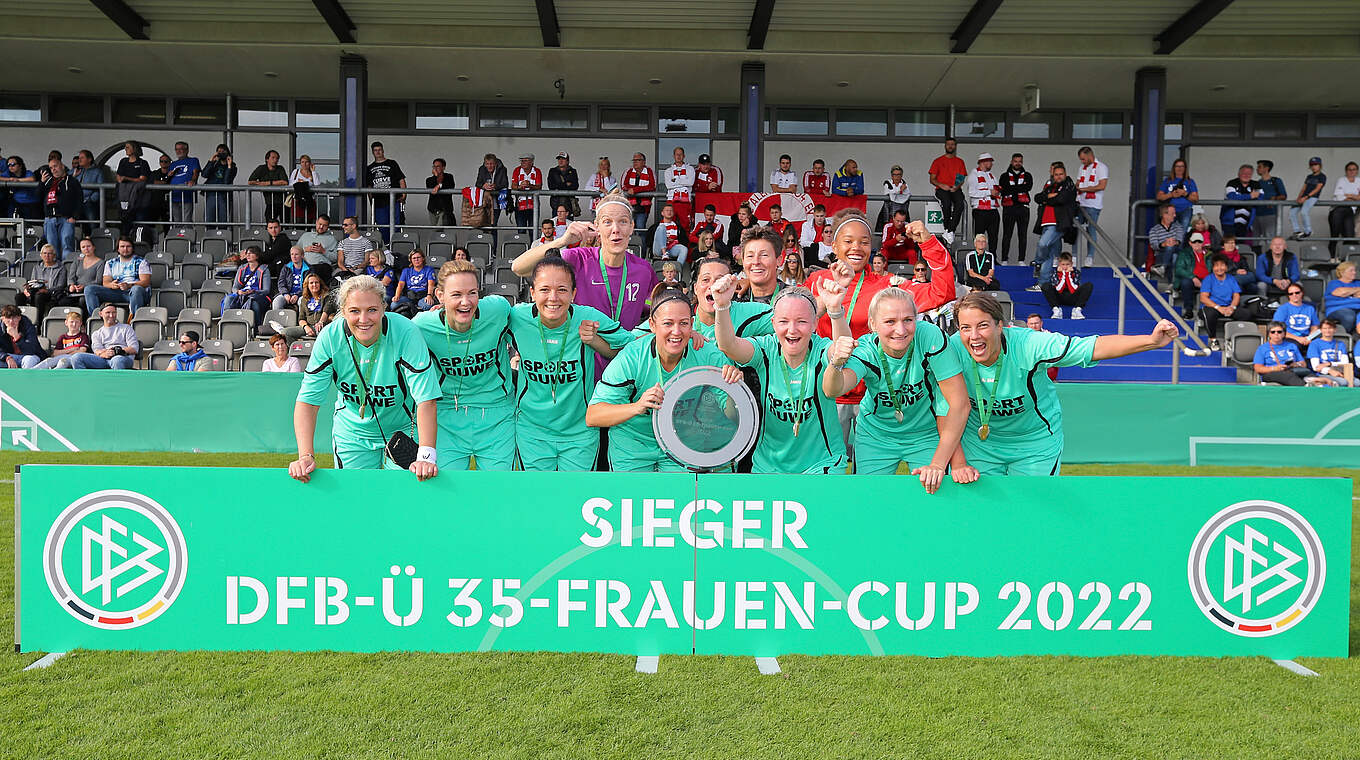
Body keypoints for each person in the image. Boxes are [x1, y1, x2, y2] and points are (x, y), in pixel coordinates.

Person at [949, 292, 1178, 476]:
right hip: (979, 444)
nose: (974, 336)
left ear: (1000, 326)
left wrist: (1151, 341)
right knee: (982, 512)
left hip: (1034, 444)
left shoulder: (1030, 344)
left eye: (983, 325)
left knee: (1032, 511)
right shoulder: (952, 350)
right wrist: (958, 462)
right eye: (965, 328)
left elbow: (1091, 348)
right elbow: (946, 412)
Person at [804, 213, 956, 456]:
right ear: (834, 245)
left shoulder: (885, 286)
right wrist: (830, 297)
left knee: (868, 472)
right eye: (848, 241)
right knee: (826, 467)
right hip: (825, 393)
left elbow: (942, 292)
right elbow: (795, 319)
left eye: (864, 242)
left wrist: (929, 244)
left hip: (870, 395)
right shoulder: (817, 281)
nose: (856, 247)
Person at [290, 275, 440, 479]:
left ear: (384, 308)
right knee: (354, 496)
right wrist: (305, 456)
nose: (363, 319)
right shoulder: (330, 338)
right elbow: (308, 400)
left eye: (372, 310)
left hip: (402, 430)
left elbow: (426, 399)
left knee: (405, 496)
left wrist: (426, 456)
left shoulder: (406, 332)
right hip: (352, 433)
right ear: (343, 311)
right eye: (354, 311)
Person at [821, 286, 968, 487]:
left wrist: (937, 464)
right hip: (876, 435)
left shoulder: (930, 336)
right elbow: (833, 390)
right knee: (869, 497)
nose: (900, 330)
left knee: (936, 495)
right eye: (890, 321)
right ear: (873, 324)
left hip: (925, 434)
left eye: (908, 320)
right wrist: (836, 363)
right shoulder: (866, 348)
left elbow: (959, 404)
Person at [587, 290, 744, 472]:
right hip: (634, 444)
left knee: (679, 491)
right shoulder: (632, 358)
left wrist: (734, 391)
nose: (676, 331)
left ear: (692, 324)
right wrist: (637, 407)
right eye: (668, 323)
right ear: (652, 325)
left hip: (682, 443)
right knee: (634, 491)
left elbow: (732, 416)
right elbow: (593, 415)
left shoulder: (708, 355)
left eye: (683, 323)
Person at [512, 191, 657, 377]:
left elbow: (657, 310)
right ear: (597, 227)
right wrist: (562, 241)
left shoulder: (644, 270)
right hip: (581, 371)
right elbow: (518, 267)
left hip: (626, 369)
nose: (616, 229)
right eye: (607, 222)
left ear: (632, 227)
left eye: (623, 221)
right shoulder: (579, 259)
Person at [711, 277, 848, 473]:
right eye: (784, 321)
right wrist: (722, 306)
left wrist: (835, 311)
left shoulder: (821, 349)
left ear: (815, 324)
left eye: (801, 321)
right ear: (773, 323)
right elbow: (728, 345)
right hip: (768, 466)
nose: (792, 330)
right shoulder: (766, 349)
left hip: (821, 464)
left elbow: (842, 350)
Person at [508, 258, 634, 471]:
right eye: (545, 289)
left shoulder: (587, 317)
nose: (553, 298)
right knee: (535, 492)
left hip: (580, 433)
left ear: (573, 294)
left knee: (577, 492)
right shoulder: (517, 317)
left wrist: (684, 332)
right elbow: (478, 322)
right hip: (532, 432)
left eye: (562, 290)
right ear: (532, 293)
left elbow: (634, 346)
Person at [412, 260, 517, 471]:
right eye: (456, 294)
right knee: (447, 488)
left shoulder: (498, 310)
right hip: (446, 415)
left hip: (497, 413)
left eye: (472, 293)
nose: (466, 302)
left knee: (497, 487)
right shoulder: (421, 326)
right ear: (440, 296)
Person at [1029, 162, 1077, 290]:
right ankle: (1043, 284)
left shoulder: (1069, 185)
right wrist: (1048, 196)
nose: (1059, 176)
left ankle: (1038, 262)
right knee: (1050, 256)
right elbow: (1037, 197)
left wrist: (1047, 199)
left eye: (1061, 174)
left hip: (1057, 224)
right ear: (1053, 175)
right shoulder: (1051, 186)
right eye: (1056, 174)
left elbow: (1062, 199)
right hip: (1045, 223)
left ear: (1065, 174)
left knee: (1043, 245)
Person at [84, 238, 150, 316]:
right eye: (122, 246)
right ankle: (96, 317)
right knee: (89, 289)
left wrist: (129, 285)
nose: (125, 249)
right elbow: (105, 282)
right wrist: (112, 285)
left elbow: (145, 282)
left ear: (132, 248)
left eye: (128, 246)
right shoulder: (110, 263)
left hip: (134, 292)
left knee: (136, 289)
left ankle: (135, 318)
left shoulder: (141, 261)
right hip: (116, 292)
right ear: (118, 249)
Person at [1200, 254, 1251, 349]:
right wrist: (1218, 308)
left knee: (1246, 313)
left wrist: (1232, 307)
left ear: (1226, 267)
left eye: (1222, 265)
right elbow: (1203, 298)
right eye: (1216, 265)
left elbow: (1236, 295)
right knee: (1209, 314)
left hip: (1228, 307)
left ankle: (1232, 340)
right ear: (1213, 267)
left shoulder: (1231, 279)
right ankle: (1213, 340)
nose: (1219, 268)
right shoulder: (1208, 279)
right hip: (1213, 307)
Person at [70, 302, 139, 370]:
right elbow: (97, 350)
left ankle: (118, 378)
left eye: (114, 312)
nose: (111, 315)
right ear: (101, 314)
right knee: (76, 357)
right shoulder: (97, 333)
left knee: (117, 360)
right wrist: (104, 354)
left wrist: (118, 351)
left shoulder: (126, 328)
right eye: (108, 313)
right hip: (103, 359)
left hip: (122, 357)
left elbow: (134, 348)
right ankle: (85, 377)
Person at [1254, 322, 1326, 386]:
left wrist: (1297, 364)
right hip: (1271, 373)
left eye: (1279, 332)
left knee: (1311, 375)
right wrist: (1274, 368)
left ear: (1284, 334)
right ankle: (1305, 388)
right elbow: (1258, 368)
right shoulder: (1262, 348)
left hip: (1292, 370)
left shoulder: (1292, 346)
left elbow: (1303, 364)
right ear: (1269, 334)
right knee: (1288, 375)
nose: (1276, 334)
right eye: (1273, 332)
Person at [273, 272, 336, 341]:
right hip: (309, 326)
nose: (314, 285)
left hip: (324, 326)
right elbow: (301, 319)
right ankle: (295, 347)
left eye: (316, 282)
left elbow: (326, 311)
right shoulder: (304, 299)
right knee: (285, 332)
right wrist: (306, 327)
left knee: (321, 332)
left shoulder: (327, 296)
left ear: (320, 284)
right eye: (311, 283)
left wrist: (320, 322)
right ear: (307, 285)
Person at [39, 159, 81, 260]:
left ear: (62, 166)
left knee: (67, 245)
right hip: (50, 219)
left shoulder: (72, 181)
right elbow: (38, 196)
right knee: (51, 247)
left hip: (66, 218)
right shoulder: (48, 181)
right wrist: (41, 183)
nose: (53, 169)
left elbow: (79, 199)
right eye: (51, 168)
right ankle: (54, 268)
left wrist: (74, 216)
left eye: (55, 166)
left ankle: (67, 267)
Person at [1074, 147, 1109, 267]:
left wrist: (1083, 189)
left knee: (1091, 230)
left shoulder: (1101, 167)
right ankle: (1074, 257)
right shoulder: (1082, 168)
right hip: (1080, 203)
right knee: (1075, 229)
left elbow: (1102, 186)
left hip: (1093, 205)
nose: (1082, 161)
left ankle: (1090, 257)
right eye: (1081, 159)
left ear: (1090, 155)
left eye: (1084, 159)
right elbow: (1078, 182)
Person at [365, 142, 406, 241]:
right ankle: (388, 245)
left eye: (379, 150)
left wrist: (404, 195)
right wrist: (371, 202)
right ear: (372, 152)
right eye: (375, 150)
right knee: (382, 226)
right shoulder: (369, 168)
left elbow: (401, 180)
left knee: (396, 224)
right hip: (379, 202)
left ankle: (395, 244)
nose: (378, 152)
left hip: (394, 200)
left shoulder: (392, 163)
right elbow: (369, 187)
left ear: (383, 150)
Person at [928, 138, 967, 243]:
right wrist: (942, 185)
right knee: (946, 203)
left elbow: (961, 178)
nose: (950, 146)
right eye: (948, 144)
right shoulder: (938, 161)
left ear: (955, 146)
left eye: (952, 144)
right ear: (945, 146)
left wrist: (956, 187)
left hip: (955, 188)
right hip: (941, 189)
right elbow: (932, 179)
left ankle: (950, 230)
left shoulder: (959, 161)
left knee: (960, 204)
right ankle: (947, 229)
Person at [222, 247, 272, 326]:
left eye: (251, 253)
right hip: (242, 294)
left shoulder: (264, 269)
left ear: (257, 256)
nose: (248, 255)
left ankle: (256, 328)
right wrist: (238, 292)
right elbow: (235, 287)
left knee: (253, 304)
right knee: (228, 299)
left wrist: (253, 291)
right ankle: (227, 324)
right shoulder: (242, 268)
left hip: (257, 295)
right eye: (247, 253)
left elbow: (266, 290)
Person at [998, 153, 1033, 263]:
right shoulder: (1004, 176)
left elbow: (1028, 187)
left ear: (1022, 162)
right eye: (1015, 161)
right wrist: (1020, 188)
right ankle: (1004, 260)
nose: (1017, 163)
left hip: (1023, 208)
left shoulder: (1027, 175)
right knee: (1007, 235)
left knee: (1023, 235)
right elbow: (1003, 190)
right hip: (1009, 208)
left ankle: (1021, 260)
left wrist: (1011, 188)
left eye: (1020, 161)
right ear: (1011, 162)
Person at [16, 244, 66, 319]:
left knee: (39, 296)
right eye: (44, 253)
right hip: (36, 291)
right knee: (19, 296)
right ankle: (21, 319)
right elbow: (33, 282)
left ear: (54, 255)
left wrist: (47, 290)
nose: (47, 256)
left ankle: (38, 321)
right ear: (41, 255)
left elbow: (61, 286)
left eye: (49, 253)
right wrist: (27, 289)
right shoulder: (37, 267)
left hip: (51, 293)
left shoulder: (61, 268)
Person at [114, 142, 151, 239]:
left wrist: (126, 179)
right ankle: (125, 241)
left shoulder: (143, 163)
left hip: (139, 199)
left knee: (139, 223)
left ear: (134, 149)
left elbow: (143, 178)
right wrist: (123, 179)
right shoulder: (123, 161)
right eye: (125, 147)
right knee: (124, 221)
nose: (125, 149)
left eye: (128, 147)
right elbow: (118, 176)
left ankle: (139, 243)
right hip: (124, 198)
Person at [967, 153, 1001, 254]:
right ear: (983, 162)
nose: (992, 164)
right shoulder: (974, 175)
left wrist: (997, 192)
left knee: (993, 237)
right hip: (980, 211)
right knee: (979, 237)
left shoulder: (992, 176)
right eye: (990, 161)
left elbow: (996, 190)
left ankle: (993, 257)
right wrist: (989, 192)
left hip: (993, 209)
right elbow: (971, 193)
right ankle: (979, 257)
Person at [1043, 252, 1092, 320]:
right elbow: (1059, 289)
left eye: (1067, 264)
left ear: (1071, 264)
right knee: (1045, 285)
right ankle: (1056, 309)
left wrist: (1068, 275)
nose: (1065, 267)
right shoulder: (1055, 273)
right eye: (1063, 264)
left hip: (1072, 297)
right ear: (1059, 264)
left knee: (1089, 285)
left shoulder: (1076, 272)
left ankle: (1077, 310)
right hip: (1059, 297)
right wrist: (1063, 274)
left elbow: (1073, 289)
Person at [1173, 232, 1211, 319]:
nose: (1197, 244)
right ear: (1190, 243)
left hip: (1207, 279)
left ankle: (1207, 312)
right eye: (1194, 242)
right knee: (1186, 282)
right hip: (1191, 278)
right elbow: (1179, 269)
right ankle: (1189, 310)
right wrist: (1193, 277)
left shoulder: (1210, 254)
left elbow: (1214, 269)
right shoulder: (1184, 253)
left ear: (1203, 243)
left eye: (1199, 241)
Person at [1156, 157, 1199, 232]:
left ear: (1185, 168)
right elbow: (1159, 197)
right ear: (1174, 168)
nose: (1179, 168)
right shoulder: (1167, 181)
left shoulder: (1190, 181)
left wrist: (1184, 193)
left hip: (1185, 210)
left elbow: (1195, 198)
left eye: (1182, 166)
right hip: (1169, 211)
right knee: (1168, 232)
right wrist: (1171, 195)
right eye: (1177, 166)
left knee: (1182, 233)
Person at [1222, 164, 1262, 242]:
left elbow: (1260, 197)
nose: (1246, 175)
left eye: (1249, 173)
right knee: (1229, 243)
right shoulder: (1232, 183)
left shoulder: (1255, 184)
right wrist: (1250, 196)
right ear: (1239, 174)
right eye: (1244, 173)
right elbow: (1231, 197)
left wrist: (1240, 197)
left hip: (1247, 221)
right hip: (1229, 221)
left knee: (1242, 244)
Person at [1328, 161, 1360, 258]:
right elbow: (1339, 198)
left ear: (1357, 171)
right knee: (1335, 236)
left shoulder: (1359, 180)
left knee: (1349, 237)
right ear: (1346, 171)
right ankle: (1332, 258)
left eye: (1354, 169)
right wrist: (1354, 197)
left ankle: (1345, 260)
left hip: (1350, 212)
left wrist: (1348, 196)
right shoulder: (1341, 180)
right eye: (1349, 170)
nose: (1352, 171)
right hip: (1338, 210)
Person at [248, 150, 289, 223]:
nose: (275, 160)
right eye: (273, 158)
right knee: (270, 223)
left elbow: (285, 182)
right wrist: (261, 184)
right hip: (270, 202)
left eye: (277, 158)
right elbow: (250, 182)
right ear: (267, 159)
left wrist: (268, 183)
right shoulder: (261, 168)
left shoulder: (280, 168)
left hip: (283, 201)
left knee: (286, 224)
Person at [1290, 157, 1326, 240]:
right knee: (1292, 212)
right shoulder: (1309, 176)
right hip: (1304, 197)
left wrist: (1306, 197)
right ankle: (1297, 231)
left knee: (1304, 212)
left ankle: (1308, 231)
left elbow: (1317, 188)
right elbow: (1303, 188)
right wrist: (1299, 198)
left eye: (1316, 165)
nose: (1313, 167)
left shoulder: (1322, 176)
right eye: (1312, 165)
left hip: (1312, 197)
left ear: (1320, 166)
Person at [200, 144, 237, 225]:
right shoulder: (214, 164)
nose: (221, 153)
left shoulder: (233, 167)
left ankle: (222, 233)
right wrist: (211, 161)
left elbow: (226, 181)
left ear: (228, 153)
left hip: (224, 196)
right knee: (209, 220)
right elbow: (204, 174)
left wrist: (229, 166)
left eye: (223, 151)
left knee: (223, 221)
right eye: (219, 151)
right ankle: (209, 233)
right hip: (211, 194)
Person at [1272, 283, 1318, 348]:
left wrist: (1309, 338)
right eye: (1291, 294)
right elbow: (1277, 329)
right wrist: (1298, 339)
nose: (1294, 295)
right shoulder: (1282, 309)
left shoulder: (1310, 308)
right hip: (1289, 338)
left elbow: (1315, 326)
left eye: (1297, 293)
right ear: (1288, 296)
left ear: (1302, 293)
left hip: (1307, 337)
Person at [0, 304, 45, 369]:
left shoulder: (27, 325)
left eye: (14, 318)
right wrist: (7, 357)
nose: (11, 321)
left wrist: (16, 337)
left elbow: (31, 350)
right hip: (9, 356)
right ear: (3, 319)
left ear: (19, 318)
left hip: (28, 356)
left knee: (29, 360)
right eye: (8, 318)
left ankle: (25, 376)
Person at [1307, 318, 1350, 385]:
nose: (1327, 330)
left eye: (1330, 328)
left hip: (1340, 371)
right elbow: (1316, 367)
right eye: (1325, 328)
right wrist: (1330, 371)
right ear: (1320, 330)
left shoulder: (1340, 344)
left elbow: (1345, 363)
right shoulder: (1314, 344)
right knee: (1343, 382)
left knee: (1357, 382)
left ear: (1335, 329)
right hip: (1322, 373)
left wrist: (1329, 363)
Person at [1254, 159, 1288, 244]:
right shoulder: (1257, 183)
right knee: (1254, 239)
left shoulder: (1275, 181)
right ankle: (1255, 252)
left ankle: (1270, 253)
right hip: (1257, 214)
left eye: (1259, 167)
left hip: (1270, 214)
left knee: (1269, 239)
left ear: (1266, 168)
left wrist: (1274, 198)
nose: (1257, 169)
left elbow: (1283, 196)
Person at [298, 214, 339, 283]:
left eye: (324, 225)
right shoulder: (306, 236)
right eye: (320, 224)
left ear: (328, 226)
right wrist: (304, 250)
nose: (321, 227)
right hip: (304, 265)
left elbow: (335, 258)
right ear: (316, 222)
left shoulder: (332, 239)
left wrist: (323, 251)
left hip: (322, 267)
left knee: (313, 269)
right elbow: (294, 251)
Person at [1147, 203, 1185, 277]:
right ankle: (1172, 282)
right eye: (1172, 213)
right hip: (1161, 254)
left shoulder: (1178, 226)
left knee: (1173, 251)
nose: (1175, 215)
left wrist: (1174, 242)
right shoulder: (1154, 230)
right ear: (1164, 215)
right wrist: (1164, 244)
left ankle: (1162, 268)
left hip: (1176, 249)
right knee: (1174, 256)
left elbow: (1180, 240)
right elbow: (1153, 245)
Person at [166, 142, 199, 224]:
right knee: (176, 221)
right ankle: (177, 233)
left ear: (187, 150)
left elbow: (196, 172)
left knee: (187, 220)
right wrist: (169, 175)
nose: (178, 151)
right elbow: (168, 179)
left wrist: (193, 181)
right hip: (174, 195)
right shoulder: (173, 164)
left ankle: (187, 233)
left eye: (181, 149)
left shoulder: (193, 160)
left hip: (187, 194)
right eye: (177, 149)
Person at [662, 146, 695, 229]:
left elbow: (690, 183)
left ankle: (685, 238)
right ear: (674, 156)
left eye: (680, 154)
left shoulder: (690, 169)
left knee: (686, 225)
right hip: (671, 201)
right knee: (669, 224)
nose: (679, 156)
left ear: (684, 156)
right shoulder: (668, 170)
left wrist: (675, 181)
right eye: (677, 154)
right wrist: (684, 182)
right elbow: (668, 185)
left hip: (685, 202)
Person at [622, 152, 657, 229]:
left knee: (640, 228)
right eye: (634, 160)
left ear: (644, 162)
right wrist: (631, 189)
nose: (635, 162)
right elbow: (623, 185)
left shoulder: (649, 171)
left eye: (638, 160)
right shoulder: (628, 171)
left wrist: (635, 190)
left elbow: (652, 186)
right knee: (628, 229)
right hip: (630, 206)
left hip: (643, 207)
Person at [1324, 260, 1360, 335]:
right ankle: (1345, 335)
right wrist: (1356, 290)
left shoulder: (1358, 283)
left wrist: (1349, 292)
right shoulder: (1334, 283)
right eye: (1351, 270)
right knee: (1349, 316)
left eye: (1355, 270)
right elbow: (1341, 292)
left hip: (1357, 308)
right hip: (1338, 308)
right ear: (1342, 272)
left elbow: (1346, 293)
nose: (1354, 272)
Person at [510, 152, 542, 231]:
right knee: (521, 229)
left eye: (525, 160)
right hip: (520, 205)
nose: (522, 162)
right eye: (521, 161)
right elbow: (513, 186)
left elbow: (539, 186)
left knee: (533, 230)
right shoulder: (517, 170)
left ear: (531, 162)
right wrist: (520, 187)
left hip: (533, 205)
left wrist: (529, 185)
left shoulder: (537, 171)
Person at [474, 153, 509, 226]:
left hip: (497, 200)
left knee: (493, 224)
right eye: (487, 164)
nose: (489, 166)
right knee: (484, 224)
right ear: (485, 164)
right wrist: (483, 186)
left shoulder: (502, 169)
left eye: (491, 164)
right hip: (484, 201)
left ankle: (493, 234)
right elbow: (477, 184)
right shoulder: (482, 169)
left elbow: (505, 184)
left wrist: (495, 186)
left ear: (495, 163)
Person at [335, 216, 374, 281]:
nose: (343, 227)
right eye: (343, 225)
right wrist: (346, 270)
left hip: (359, 269)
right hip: (344, 269)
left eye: (346, 225)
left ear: (353, 226)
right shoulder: (342, 242)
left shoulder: (366, 242)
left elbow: (367, 261)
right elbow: (340, 261)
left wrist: (355, 268)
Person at [272, 246, 310, 312]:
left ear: (302, 256)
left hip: (302, 294)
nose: (294, 256)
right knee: (277, 302)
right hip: (287, 294)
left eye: (296, 254)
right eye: (292, 254)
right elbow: (281, 284)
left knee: (302, 302)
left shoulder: (309, 269)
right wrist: (285, 294)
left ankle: (301, 319)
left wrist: (297, 295)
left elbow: (308, 286)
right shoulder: (286, 267)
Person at [73, 150, 105, 226]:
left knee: (93, 225)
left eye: (82, 158)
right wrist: (74, 176)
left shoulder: (97, 171)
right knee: (75, 225)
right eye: (79, 158)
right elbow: (66, 182)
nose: (79, 160)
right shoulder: (76, 171)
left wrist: (90, 199)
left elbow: (101, 188)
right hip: (76, 203)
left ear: (89, 159)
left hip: (89, 203)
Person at [423, 157, 457, 228]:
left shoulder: (449, 177)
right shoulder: (429, 180)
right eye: (434, 166)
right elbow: (431, 188)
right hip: (432, 209)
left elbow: (449, 185)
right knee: (435, 229)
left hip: (445, 209)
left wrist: (439, 185)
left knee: (440, 228)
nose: (435, 168)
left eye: (438, 166)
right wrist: (436, 176)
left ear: (443, 167)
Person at [288, 154, 319, 224]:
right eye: (302, 162)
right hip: (298, 200)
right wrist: (298, 181)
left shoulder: (313, 173)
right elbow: (290, 184)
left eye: (306, 162)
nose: (304, 164)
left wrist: (313, 171)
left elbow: (317, 185)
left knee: (309, 221)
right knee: (298, 221)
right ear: (300, 163)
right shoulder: (296, 172)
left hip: (310, 200)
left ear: (310, 163)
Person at [547, 151, 579, 219]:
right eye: (559, 159)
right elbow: (551, 186)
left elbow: (575, 186)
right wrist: (566, 184)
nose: (560, 161)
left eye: (563, 159)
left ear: (567, 161)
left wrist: (559, 186)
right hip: (556, 203)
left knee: (569, 224)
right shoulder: (552, 171)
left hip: (569, 203)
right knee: (556, 222)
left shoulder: (573, 171)